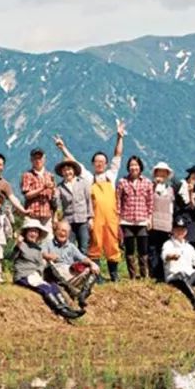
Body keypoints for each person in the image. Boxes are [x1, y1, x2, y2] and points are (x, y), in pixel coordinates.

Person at [55, 120, 125, 282]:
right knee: (95, 246)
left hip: (111, 218)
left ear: (106, 164)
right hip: (95, 218)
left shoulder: (111, 175)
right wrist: (62, 148)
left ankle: (114, 275)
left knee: (112, 245)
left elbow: (118, 156)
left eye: (102, 161)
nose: (99, 163)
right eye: (96, 161)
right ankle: (97, 276)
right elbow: (74, 162)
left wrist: (120, 137)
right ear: (93, 164)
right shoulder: (88, 177)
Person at [11, 218, 84, 321]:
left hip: (35, 275)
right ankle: (61, 310)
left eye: (36, 232)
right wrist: (17, 245)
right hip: (24, 275)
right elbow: (11, 257)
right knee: (46, 289)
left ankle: (67, 309)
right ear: (26, 232)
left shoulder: (37, 248)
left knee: (54, 287)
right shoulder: (21, 245)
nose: (34, 234)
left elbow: (40, 265)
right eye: (31, 231)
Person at [45, 220, 99, 308]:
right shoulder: (48, 244)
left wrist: (92, 263)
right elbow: (40, 254)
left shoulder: (71, 246)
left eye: (66, 231)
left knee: (93, 268)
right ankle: (71, 290)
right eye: (61, 230)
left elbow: (83, 258)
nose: (63, 233)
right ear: (55, 231)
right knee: (50, 268)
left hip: (69, 273)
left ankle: (83, 294)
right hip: (54, 274)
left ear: (69, 234)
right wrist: (47, 255)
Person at [117, 155, 153, 280]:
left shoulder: (147, 182)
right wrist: (118, 218)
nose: (134, 168)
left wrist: (149, 218)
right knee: (130, 249)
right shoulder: (122, 182)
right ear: (128, 167)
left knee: (143, 249)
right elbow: (118, 201)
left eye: (136, 165)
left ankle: (144, 275)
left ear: (140, 167)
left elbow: (150, 202)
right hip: (127, 220)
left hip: (142, 220)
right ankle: (132, 275)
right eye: (131, 165)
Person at [54, 157, 92, 254]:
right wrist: (53, 194)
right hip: (68, 221)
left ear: (74, 170)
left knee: (84, 247)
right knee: (68, 246)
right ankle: (68, 268)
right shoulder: (60, 187)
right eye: (65, 170)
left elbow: (89, 201)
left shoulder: (83, 183)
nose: (67, 172)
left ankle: (82, 268)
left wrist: (91, 218)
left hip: (83, 219)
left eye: (69, 169)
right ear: (62, 173)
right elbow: (56, 203)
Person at [147, 162, 176, 283]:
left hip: (166, 224)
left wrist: (172, 223)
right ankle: (153, 273)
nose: (161, 174)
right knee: (152, 249)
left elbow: (171, 207)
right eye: (159, 172)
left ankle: (163, 274)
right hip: (153, 222)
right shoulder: (150, 187)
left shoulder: (170, 190)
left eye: (164, 172)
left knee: (163, 249)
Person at [21, 148, 56, 239]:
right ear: (31, 160)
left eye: (40, 158)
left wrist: (53, 190)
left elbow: (53, 198)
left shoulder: (50, 175)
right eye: (35, 158)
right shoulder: (27, 175)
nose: (38, 161)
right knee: (29, 240)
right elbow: (27, 195)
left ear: (44, 159)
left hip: (47, 215)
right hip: (32, 214)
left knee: (48, 241)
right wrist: (43, 187)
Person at [176, 165, 195, 244]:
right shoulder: (180, 185)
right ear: (190, 174)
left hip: (192, 220)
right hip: (180, 218)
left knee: (191, 243)